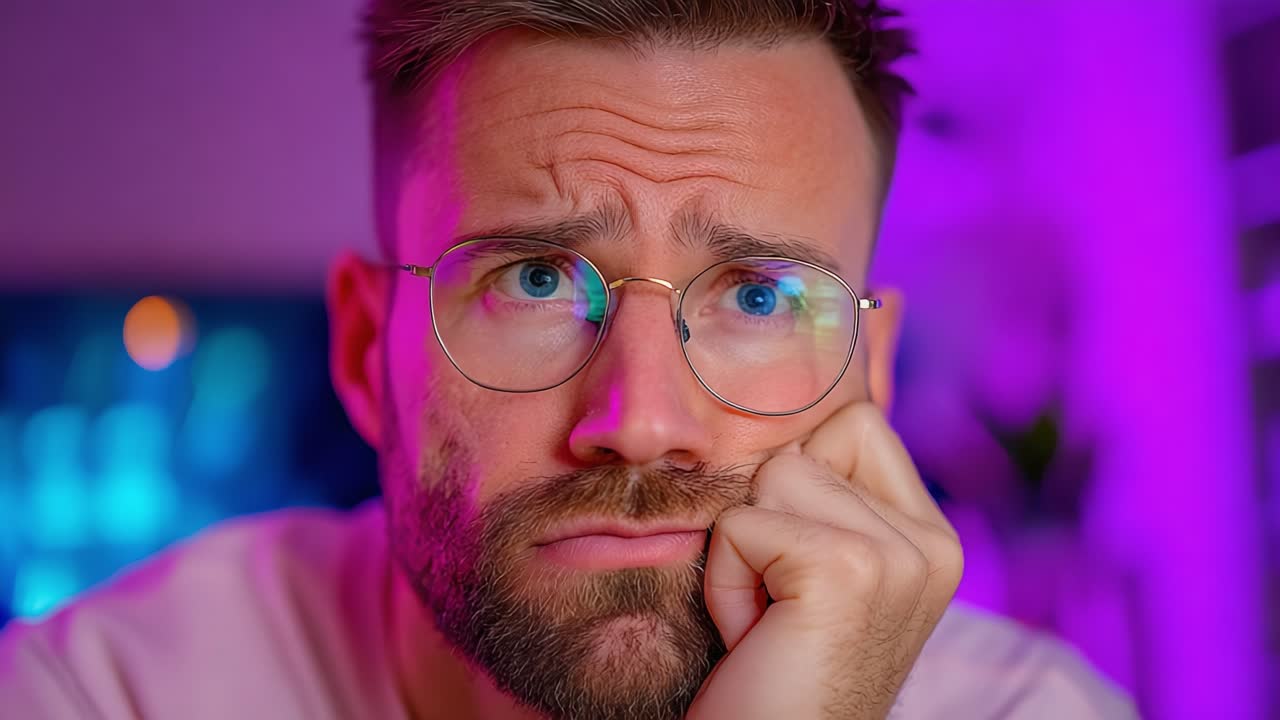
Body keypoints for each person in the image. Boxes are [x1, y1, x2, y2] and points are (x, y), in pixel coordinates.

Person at [0, 1, 1136, 718]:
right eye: (537, 279)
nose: (640, 421)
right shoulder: (99, 696)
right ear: (362, 353)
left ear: (868, 372)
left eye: (754, 295)